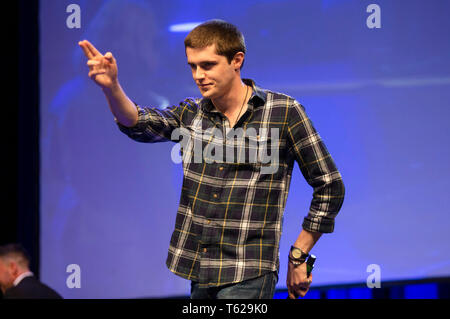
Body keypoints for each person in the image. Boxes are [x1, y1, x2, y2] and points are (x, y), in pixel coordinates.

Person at [79, 19, 345, 299]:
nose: (198, 75)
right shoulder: (191, 114)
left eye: (207, 65)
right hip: (200, 270)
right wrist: (111, 88)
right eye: (192, 66)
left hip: (249, 271)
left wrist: (299, 254)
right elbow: (139, 123)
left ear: (236, 60)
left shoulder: (283, 112)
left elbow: (329, 184)